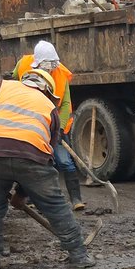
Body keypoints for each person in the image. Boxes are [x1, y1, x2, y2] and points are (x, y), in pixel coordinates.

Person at [0, 69, 94, 269]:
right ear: (47, 91)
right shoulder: (50, 108)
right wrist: (23, 192)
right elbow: (47, 156)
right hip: (32, 157)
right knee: (55, 205)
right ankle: (79, 256)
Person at [12, 41, 82, 210]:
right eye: (45, 67)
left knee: (64, 161)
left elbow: (65, 105)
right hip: (31, 123)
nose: (48, 70)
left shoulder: (61, 74)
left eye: (51, 67)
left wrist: (58, 129)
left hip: (54, 122)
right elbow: (14, 81)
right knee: (33, 161)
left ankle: (76, 199)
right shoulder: (23, 64)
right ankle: (27, 197)